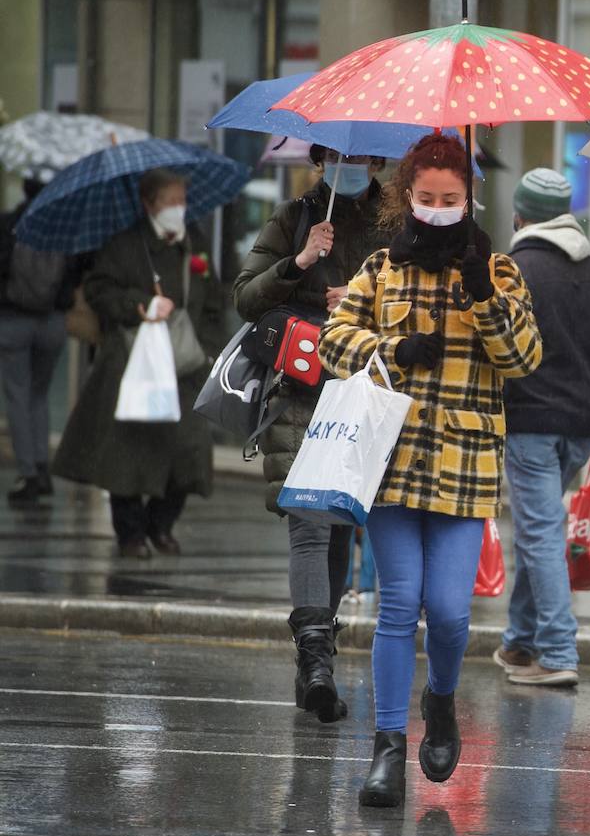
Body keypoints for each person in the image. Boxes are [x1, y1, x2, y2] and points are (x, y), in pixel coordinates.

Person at [316, 134, 542, 808]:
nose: (439, 209)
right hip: (392, 461)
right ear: (406, 196)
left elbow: (525, 359)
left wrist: (482, 297)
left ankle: (439, 703)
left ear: (469, 198)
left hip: (465, 465)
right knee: (398, 607)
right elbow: (332, 342)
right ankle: (388, 748)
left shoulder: (497, 271)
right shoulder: (382, 270)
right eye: (427, 198)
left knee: (447, 614)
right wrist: (394, 348)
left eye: (452, 199)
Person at [233, 146, 388, 723]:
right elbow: (246, 298)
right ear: (321, 159)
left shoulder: (396, 224)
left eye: (365, 158)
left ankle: (312, 659)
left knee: (342, 533)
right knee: (310, 528)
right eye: (341, 156)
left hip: (365, 397)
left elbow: (417, 308)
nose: (352, 166)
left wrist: (362, 303)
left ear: (378, 165)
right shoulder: (295, 216)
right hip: (301, 392)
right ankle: (318, 662)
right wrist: (297, 262)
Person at [491, 168, 590, 687]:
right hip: (580, 429)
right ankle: (519, 643)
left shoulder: (512, 271)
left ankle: (556, 650)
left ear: (520, 216)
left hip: (529, 422)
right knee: (543, 530)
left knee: (541, 532)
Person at [52, 168, 224, 557]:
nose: (178, 209)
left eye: (182, 200)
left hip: (185, 366)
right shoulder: (125, 244)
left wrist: (208, 348)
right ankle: (130, 532)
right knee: (126, 454)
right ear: (149, 203)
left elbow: (213, 300)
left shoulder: (193, 244)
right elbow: (98, 290)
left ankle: (160, 524)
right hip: (133, 364)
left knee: (189, 451)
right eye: (170, 201)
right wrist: (139, 305)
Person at [1, 177, 77, 504]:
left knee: (17, 396)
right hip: (53, 323)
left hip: (13, 321)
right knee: (39, 395)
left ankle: (28, 473)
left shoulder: (8, 224)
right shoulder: (64, 228)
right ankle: (43, 467)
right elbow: (77, 271)